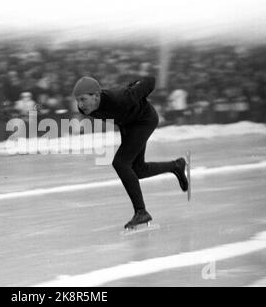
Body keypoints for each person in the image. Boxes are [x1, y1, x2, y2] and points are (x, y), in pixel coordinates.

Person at [72, 76, 188, 230]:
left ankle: (141, 211)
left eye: (82, 99)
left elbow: (151, 80)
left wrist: (135, 86)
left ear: (96, 95)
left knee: (120, 162)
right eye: (77, 100)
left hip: (144, 120)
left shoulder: (121, 98)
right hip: (128, 125)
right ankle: (176, 166)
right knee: (137, 170)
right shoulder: (86, 108)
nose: (80, 105)